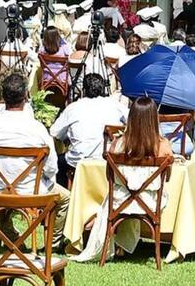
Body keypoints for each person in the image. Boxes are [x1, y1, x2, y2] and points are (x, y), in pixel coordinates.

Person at [0, 74, 70, 248]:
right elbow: (51, 168)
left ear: (3, 97)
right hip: (30, 192)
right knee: (65, 199)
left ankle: (13, 239)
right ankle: (53, 244)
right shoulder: (38, 129)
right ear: (26, 96)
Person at [74, 96, 173, 262]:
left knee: (119, 194)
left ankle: (117, 244)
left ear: (131, 118)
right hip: (149, 202)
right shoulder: (163, 146)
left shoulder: (118, 144)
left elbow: (109, 176)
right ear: (154, 119)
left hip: (120, 201)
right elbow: (167, 178)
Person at [51, 73, 127, 185]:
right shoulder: (115, 105)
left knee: (57, 163)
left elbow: (55, 132)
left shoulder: (73, 107)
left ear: (83, 90)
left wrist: (68, 137)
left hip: (79, 161)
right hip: (109, 160)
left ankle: (65, 198)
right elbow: (133, 120)